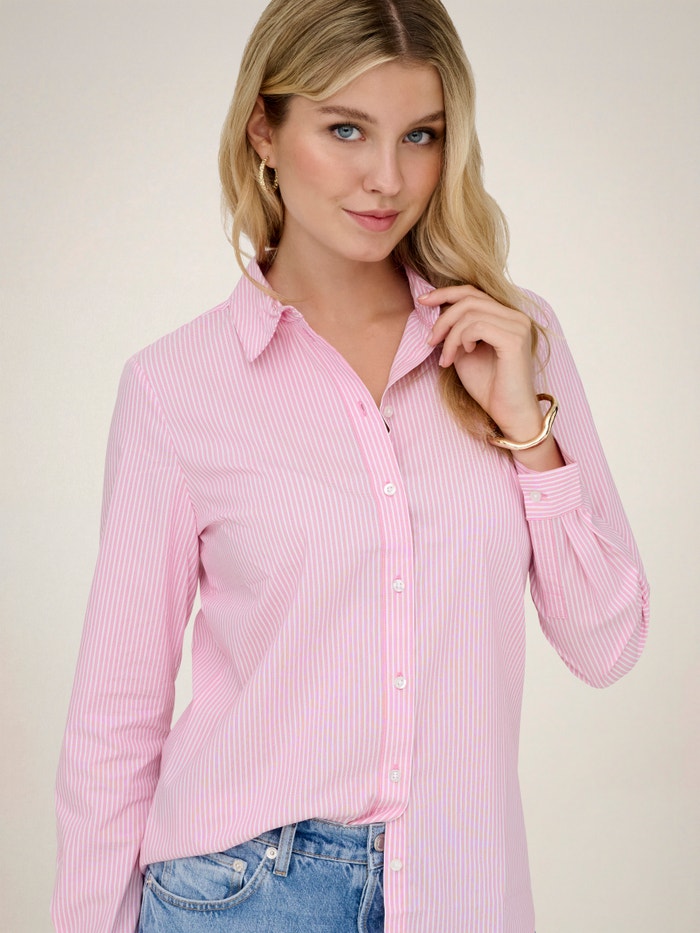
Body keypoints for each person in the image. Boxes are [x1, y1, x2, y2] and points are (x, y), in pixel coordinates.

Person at [52, 0, 649, 931]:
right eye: (345, 130)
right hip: (243, 895)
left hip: (459, 891)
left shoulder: (513, 339)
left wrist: (527, 430)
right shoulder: (175, 387)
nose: (387, 178)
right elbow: (115, 718)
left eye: (420, 135)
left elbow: (607, 642)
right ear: (265, 129)